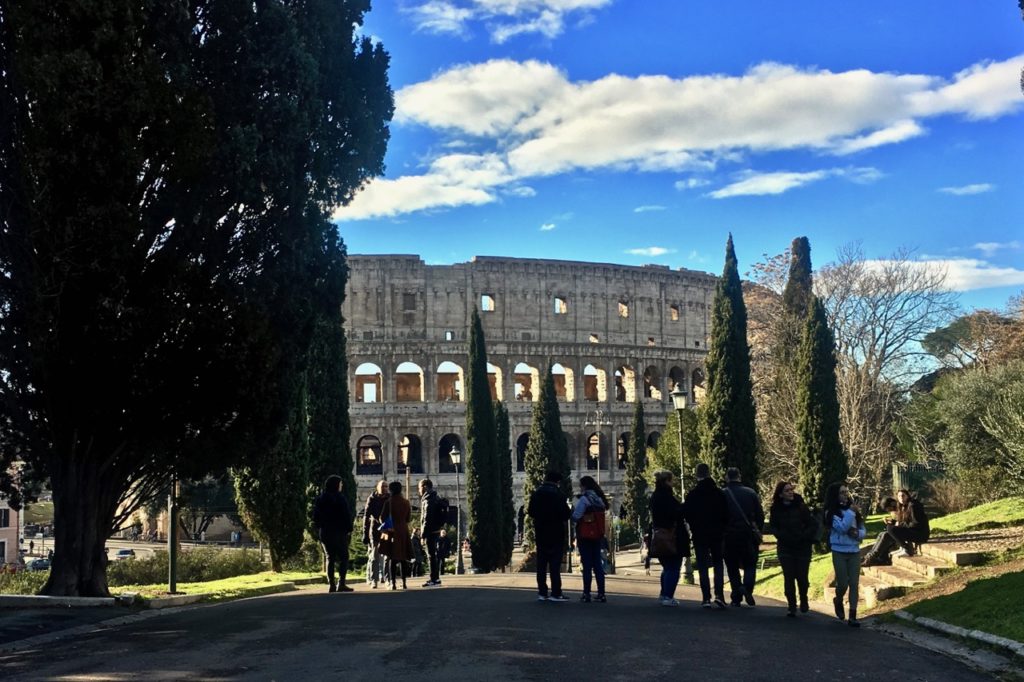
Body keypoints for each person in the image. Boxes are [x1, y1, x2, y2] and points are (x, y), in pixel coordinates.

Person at [769, 481, 819, 616]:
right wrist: (782, 535)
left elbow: (812, 524)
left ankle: (803, 598)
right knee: (789, 576)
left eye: (791, 490)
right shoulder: (775, 509)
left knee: (802, 577)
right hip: (785, 547)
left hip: (802, 546)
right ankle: (791, 605)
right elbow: (773, 526)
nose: (790, 492)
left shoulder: (801, 506)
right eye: (787, 490)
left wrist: (804, 535)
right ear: (780, 494)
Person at [684, 462, 729, 609]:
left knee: (703, 566)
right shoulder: (719, 493)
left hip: (700, 534)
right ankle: (719, 595)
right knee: (718, 564)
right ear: (709, 473)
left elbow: (687, 514)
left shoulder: (692, 495)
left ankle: (706, 598)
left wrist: (694, 526)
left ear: (697, 475)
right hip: (717, 533)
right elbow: (726, 513)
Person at [824, 481, 866, 627]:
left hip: (854, 550)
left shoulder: (852, 510)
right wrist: (851, 512)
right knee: (842, 583)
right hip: (839, 550)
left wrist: (859, 534)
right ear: (835, 495)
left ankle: (853, 615)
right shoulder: (831, 512)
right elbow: (841, 528)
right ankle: (838, 599)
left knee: (854, 583)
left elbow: (862, 528)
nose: (845, 495)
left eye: (846, 492)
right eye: (842, 492)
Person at [722, 467, 764, 607]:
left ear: (727, 477)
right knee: (750, 564)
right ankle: (747, 588)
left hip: (729, 534)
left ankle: (736, 596)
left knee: (732, 565)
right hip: (748, 534)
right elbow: (760, 515)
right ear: (739, 477)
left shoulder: (723, 494)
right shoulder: (751, 493)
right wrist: (757, 529)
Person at [528, 470, 572, 601]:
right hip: (556, 532)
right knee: (554, 564)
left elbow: (530, 511)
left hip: (541, 531)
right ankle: (556, 592)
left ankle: (542, 592)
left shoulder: (537, 494)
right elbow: (566, 514)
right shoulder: (559, 495)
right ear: (557, 482)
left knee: (541, 563)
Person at [649, 470, 690, 606]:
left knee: (667, 567)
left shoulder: (655, 496)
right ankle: (667, 595)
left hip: (660, 535)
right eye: (671, 481)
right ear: (667, 481)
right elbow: (675, 513)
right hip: (671, 536)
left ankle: (663, 594)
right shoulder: (666, 497)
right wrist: (683, 508)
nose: (673, 483)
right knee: (673, 568)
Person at [862, 490, 930, 566]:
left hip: (919, 534)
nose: (901, 498)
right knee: (884, 534)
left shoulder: (913, 505)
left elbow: (916, 523)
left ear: (907, 496)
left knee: (890, 529)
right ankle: (872, 557)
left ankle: (907, 549)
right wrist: (894, 522)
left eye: (903, 496)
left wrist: (898, 524)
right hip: (912, 531)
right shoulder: (904, 506)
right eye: (899, 496)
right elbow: (905, 522)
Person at [312, 474, 354, 593]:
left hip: (325, 531)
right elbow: (346, 515)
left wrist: (320, 526)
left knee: (330, 558)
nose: (341, 486)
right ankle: (341, 583)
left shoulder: (321, 498)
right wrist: (349, 529)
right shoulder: (340, 498)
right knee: (344, 557)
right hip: (339, 532)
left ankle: (331, 584)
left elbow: (316, 516)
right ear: (336, 485)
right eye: (340, 484)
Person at [571, 475, 608, 603]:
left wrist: (573, 513)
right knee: (597, 564)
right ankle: (601, 593)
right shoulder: (599, 499)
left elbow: (576, 516)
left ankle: (586, 593)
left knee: (586, 565)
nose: (580, 488)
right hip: (597, 534)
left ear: (584, 486)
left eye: (580, 486)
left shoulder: (584, 499)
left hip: (585, 535)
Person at [379, 481, 413, 590]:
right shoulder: (406, 502)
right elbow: (408, 519)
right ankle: (404, 582)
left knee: (392, 558)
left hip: (392, 531)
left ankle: (393, 583)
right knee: (403, 558)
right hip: (403, 531)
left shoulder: (388, 502)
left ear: (391, 490)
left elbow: (382, 518)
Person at [418, 478, 446, 587]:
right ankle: (435, 578)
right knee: (433, 555)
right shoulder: (435, 497)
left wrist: (423, 535)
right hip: (436, 529)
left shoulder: (428, 499)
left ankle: (434, 579)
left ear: (424, 487)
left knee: (431, 556)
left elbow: (426, 519)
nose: (419, 490)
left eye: (420, 488)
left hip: (430, 531)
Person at [362, 480, 390, 588]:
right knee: (375, 555)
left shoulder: (389, 498)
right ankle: (374, 579)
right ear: (377, 487)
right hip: (375, 529)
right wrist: (365, 532)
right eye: (382, 486)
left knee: (387, 555)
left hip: (387, 529)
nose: (384, 488)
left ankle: (387, 578)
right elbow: (366, 516)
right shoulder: (372, 498)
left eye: (386, 486)